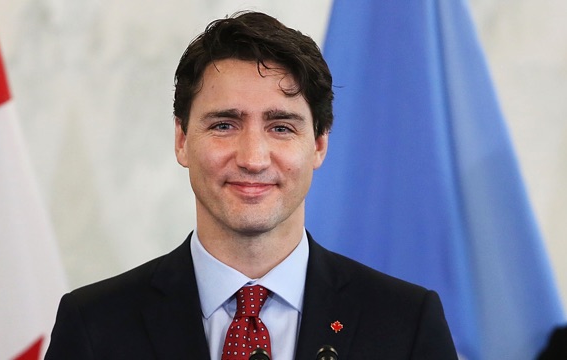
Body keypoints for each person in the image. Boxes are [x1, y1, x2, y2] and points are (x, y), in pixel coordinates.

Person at [45, 11, 457, 360]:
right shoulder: (94, 326)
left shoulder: (406, 324)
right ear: (182, 140)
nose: (253, 158)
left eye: (280, 127)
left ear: (318, 145)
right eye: (224, 125)